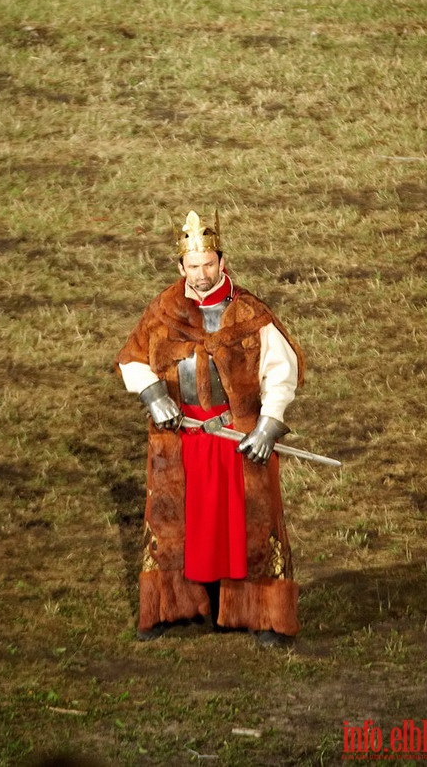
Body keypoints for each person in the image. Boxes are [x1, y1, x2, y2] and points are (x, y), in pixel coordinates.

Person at [116, 210, 304, 647]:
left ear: (222, 263)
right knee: (175, 525)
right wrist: (154, 396)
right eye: (193, 266)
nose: (201, 274)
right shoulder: (163, 310)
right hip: (179, 438)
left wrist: (269, 425)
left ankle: (263, 616)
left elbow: (281, 372)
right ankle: (172, 608)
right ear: (181, 267)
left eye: (209, 264)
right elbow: (132, 358)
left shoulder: (250, 313)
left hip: (238, 437)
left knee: (251, 527)